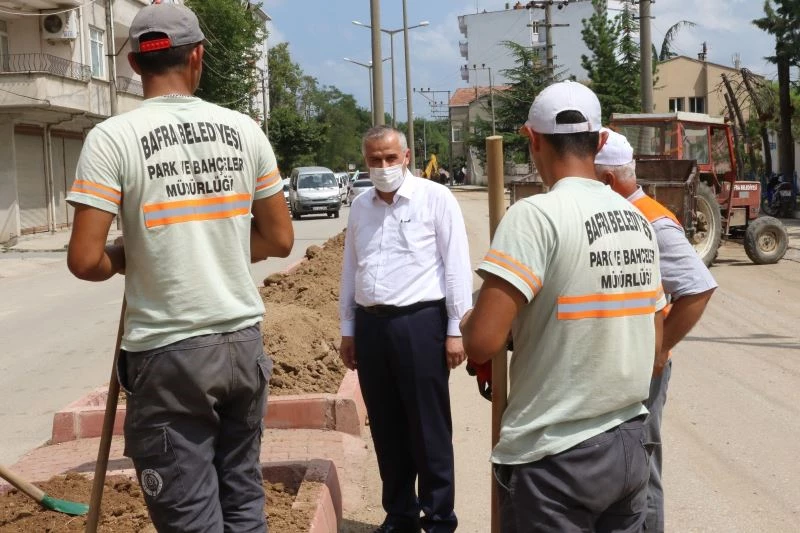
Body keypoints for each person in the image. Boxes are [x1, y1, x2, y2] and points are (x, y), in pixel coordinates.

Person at [66, 3, 293, 531]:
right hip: (241, 346)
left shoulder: (112, 138)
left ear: (131, 64)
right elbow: (280, 239)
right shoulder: (245, 130)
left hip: (169, 356)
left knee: (191, 520)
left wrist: (128, 257)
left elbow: (84, 259)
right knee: (243, 505)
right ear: (197, 57)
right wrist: (220, 242)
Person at [460, 80, 667, 532]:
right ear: (600, 140)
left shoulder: (534, 216)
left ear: (532, 139)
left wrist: (471, 318)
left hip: (556, 457)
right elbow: (656, 345)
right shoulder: (638, 219)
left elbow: (481, 343)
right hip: (629, 444)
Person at [339, 126, 472, 533]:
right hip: (372, 326)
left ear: (407, 157)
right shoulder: (361, 206)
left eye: (390, 158)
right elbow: (351, 269)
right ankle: (399, 513)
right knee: (386, 425)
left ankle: (438, 518)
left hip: (420, 323)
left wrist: (455, 329)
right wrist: (349, 328)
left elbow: (456, 267)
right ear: (365, 161)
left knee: (427, 426)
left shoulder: (435, 199)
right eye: (374, 160)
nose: (383, 167)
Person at [595, 129, 717, 533]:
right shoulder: (615, 214)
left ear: (608, 180)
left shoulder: (652, 220)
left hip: (643, 368)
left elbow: (697, 289)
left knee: (641, 465)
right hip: (616, 363)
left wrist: (658, 350)